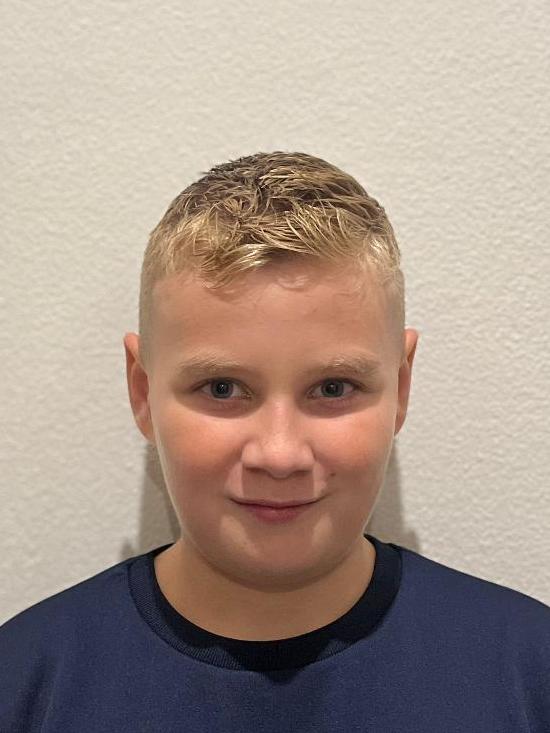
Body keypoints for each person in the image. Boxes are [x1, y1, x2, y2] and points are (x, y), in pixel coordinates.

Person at [1, 151, 548, 731]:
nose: (281, 455)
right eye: (222, 388)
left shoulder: (527, 673)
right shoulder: (25, 683)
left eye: (333, 388)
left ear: (401, 387)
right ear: (142, 391)